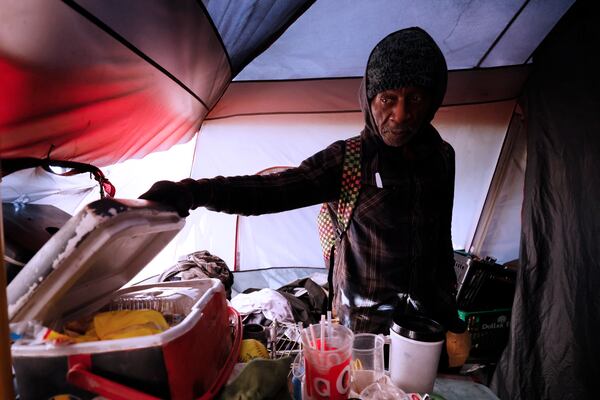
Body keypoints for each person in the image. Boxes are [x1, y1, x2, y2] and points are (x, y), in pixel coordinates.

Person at [140, 27, 465, 337]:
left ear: (433, 100)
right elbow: (272, 191)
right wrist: (192, 191)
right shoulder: (349, 160)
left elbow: (440, 241)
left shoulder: (441, 157)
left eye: (415, 99)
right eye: (388, 98)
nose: (401, 114)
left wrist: (450, 311)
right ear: (370, 98)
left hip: (426, 325)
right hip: (365, 331)